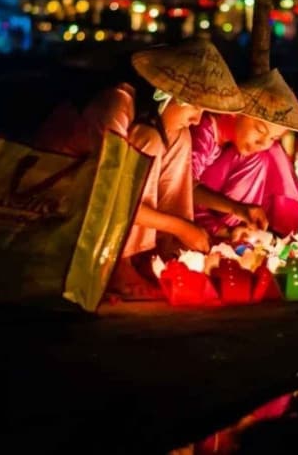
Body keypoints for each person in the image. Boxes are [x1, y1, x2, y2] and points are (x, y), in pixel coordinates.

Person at [105, 38, 245, 299]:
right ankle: (120, 264)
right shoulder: (120, 105)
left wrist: (183, 231)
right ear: (165, 95)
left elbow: (180, 187)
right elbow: (116, 199)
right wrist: (182, 227)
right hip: (72, 196)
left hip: (122, 200)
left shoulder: (167, 129)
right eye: (193, 106)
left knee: (181, 137)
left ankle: (163, 249)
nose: (197, 119)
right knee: (153, 140)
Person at [190, 68, 298, 239]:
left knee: (270, 152)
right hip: (187, 209)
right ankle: (227, 231)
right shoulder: (204, 130)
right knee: (261, 155)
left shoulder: (233, 144)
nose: (263, 142)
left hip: (215, 210)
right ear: (236, 112)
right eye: (259, 130)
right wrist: (237, 208)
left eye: (273, 137)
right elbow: (184, 187)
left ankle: (241, 231)